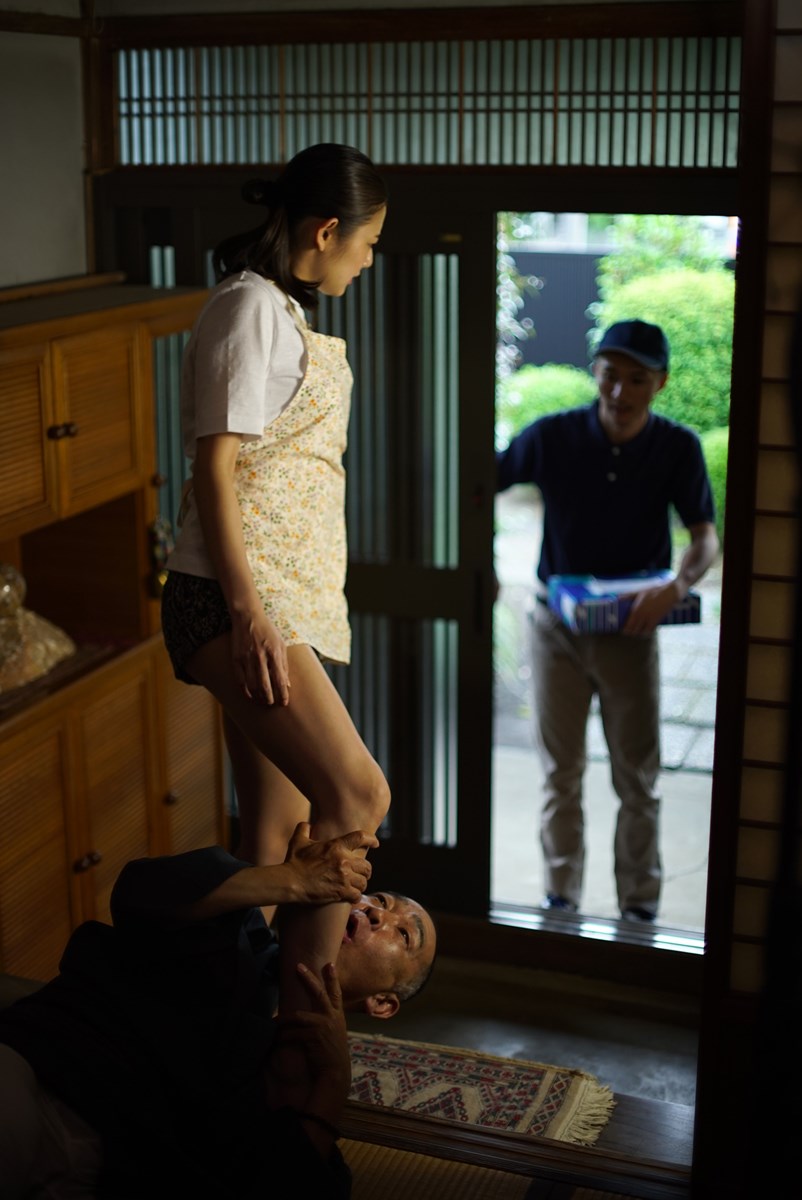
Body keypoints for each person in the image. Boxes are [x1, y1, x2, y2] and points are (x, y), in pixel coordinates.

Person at [159, 143, 390, 1027]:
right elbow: (213, 469)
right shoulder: (249, 306)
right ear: (327, 231)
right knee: (359, 796)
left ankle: (234, 1024)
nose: (367, 260)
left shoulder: (281, 312)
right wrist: (249, 613)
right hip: (239, 599)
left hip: (276, 599)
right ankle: (302, 1033)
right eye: (367, 243)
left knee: (275, 839)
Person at [0, 824, 437, 1199]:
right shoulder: (243, 940)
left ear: (383, 1003)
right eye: (378, 900)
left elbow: (283, 1183)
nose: (374, 912)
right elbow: (144, 891)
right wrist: (289, 880)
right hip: (44, 1076)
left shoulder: (312, 1066)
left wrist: (334, 1081)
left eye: (404, 934)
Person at [496, 319, 719, 923]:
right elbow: (481, 481)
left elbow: (705, 537)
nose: (620, 392)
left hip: (632, 631)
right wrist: (477, 561)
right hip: (556, 627)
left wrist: (677, 586)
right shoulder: (553, 435)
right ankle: (560, 898)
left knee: (637, 779)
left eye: (637, 379)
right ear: (594, 372)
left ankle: (639, 908)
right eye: (610, 375)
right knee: (559, 774)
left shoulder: (677, 447)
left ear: (660, 383)